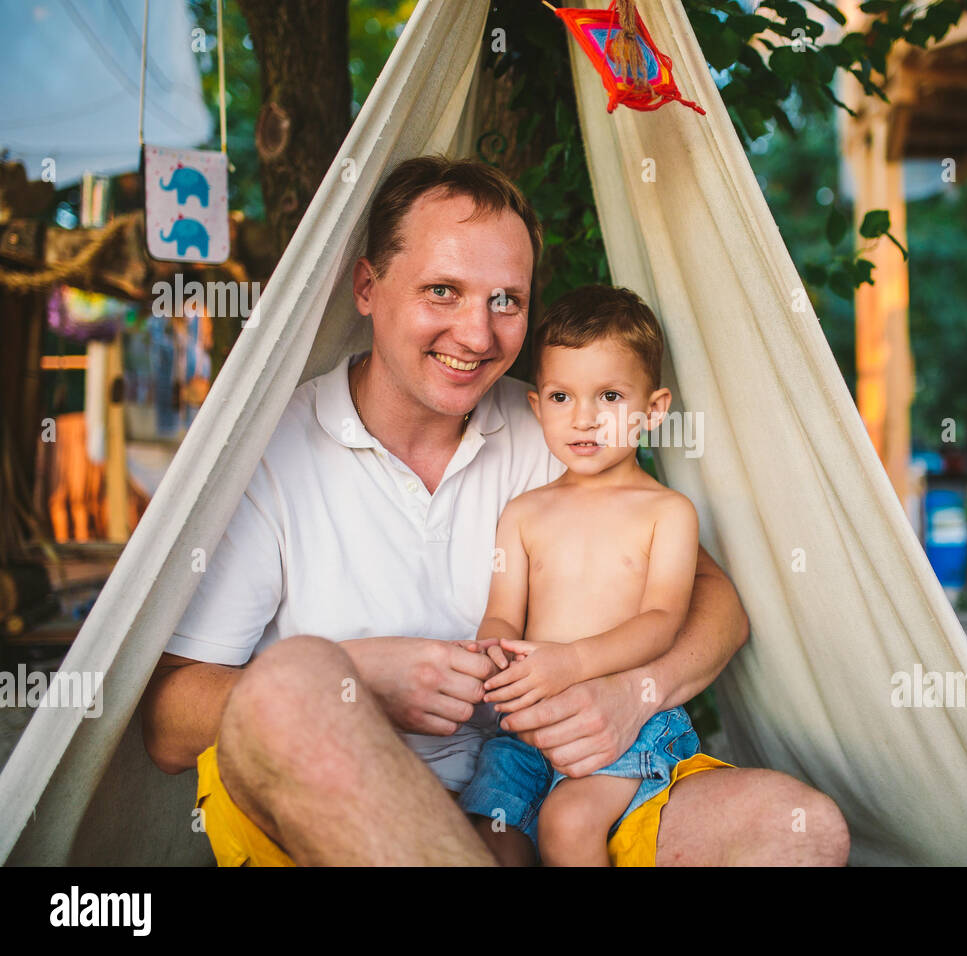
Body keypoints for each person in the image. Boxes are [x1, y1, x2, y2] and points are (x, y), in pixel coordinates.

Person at [140, 155, 850, 866]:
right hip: (343, 824)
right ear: (367, 286)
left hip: (543, 791)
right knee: (295, 682)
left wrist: (634, 694)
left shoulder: (553, 427)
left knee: (800, 829)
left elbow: (716, 602)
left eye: (505, 301)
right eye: (443, 291)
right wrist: (361, 678)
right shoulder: (269, 450)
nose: (478, 336)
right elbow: (170, 722)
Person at [460, 285, 709, 866]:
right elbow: (503, 610)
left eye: (611, 396)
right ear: (537, 406)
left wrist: (571, 663)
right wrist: (491, 649)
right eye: (562, 396)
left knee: (568, 820)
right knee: (487, 835)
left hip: (625, 727)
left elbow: (663, 622)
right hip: (524, 730)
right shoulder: (524, 513)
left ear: (654, 409)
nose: (585, 418)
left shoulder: (667, 513)